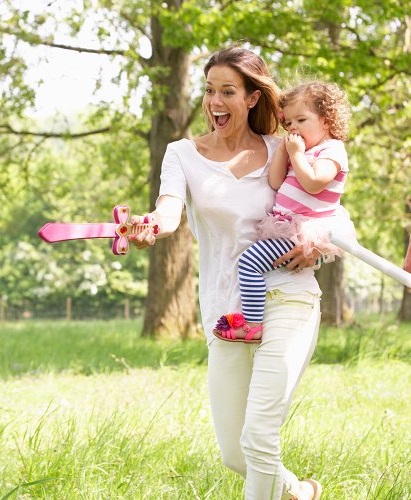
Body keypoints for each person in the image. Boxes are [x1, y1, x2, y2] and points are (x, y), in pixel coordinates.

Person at [131, 45, 323, 499]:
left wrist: (316, 244)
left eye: (228, 92)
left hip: (288, 297)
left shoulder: (285, 147)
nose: (215, 102)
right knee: (235, 453)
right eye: (209, 91)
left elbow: (329, 203)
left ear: (253, 97)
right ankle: (300, 493)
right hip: (228, 312)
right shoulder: (181, 154)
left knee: (259, 437)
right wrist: (146, 229)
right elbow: (168, 214)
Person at [213, 80, 354, 343]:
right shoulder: (298, 150)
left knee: (249, 263)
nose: (294, 128)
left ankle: (253, 325)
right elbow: (275, 182)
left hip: (302, 231)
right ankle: (255, 318)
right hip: (283, 225)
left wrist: (297, 155)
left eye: (301, 120)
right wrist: (283, 152)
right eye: (289, 123)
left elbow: (313, 183)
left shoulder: (332, 150)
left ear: (326, 120)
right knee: (252, 263)